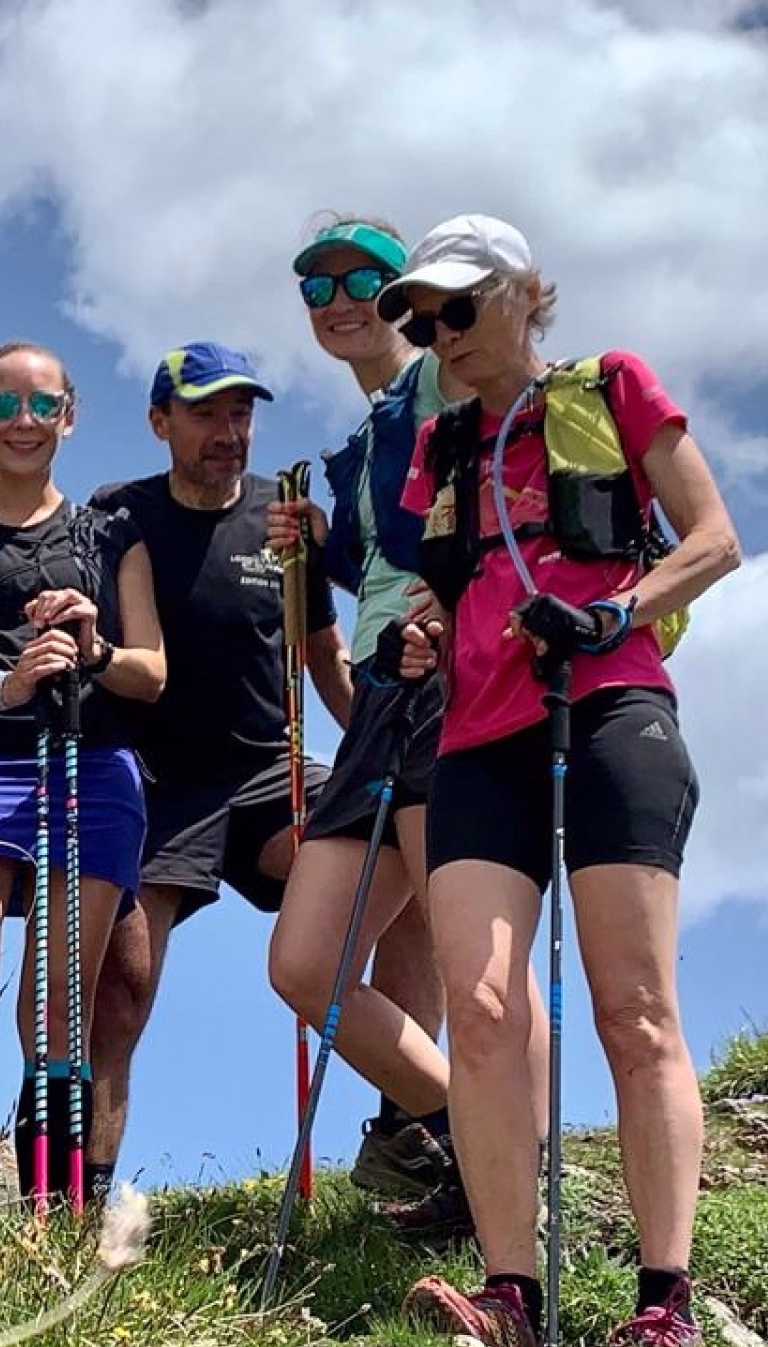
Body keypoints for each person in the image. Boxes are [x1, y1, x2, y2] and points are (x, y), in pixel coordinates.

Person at [381, 215, 739, 1347]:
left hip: (614, 710)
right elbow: (444, 588)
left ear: (525, 294)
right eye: (422, 318)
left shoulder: (613, 386)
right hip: (479, 738)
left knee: (632, 1009)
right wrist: (420, 637)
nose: (439, 334)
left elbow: (715, 539)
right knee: (482, 1012)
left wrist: (611, 612)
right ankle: (510, 1298)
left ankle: (664, 1301)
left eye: (458, 307)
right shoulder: (438, 447)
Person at [0, 340, 165, 1200]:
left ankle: (48, 1222)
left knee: (55, 1007)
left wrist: (95, 648)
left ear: (70, 416)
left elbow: (150, 672)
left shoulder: (113, 537)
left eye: (42, 405)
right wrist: (2, 687)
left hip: (88, 770)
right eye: (4, 406)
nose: (24, 422)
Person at [86, 343, 353, 1200]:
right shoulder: (116, 514)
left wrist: (387, 746)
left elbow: (322, 655)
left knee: (401, 854)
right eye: (204, 412)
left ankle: (412, 1128)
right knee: (119, 996)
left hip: (269, 772)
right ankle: (79, 1205)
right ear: (161, 422)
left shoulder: (285, 514)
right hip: (156, 782)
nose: (227, 431)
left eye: (240, 413)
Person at [264, 217, 469, 1204]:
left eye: (364, 279)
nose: (340, 299)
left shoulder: (442, 376)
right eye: (316, 286)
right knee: (308, 967)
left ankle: (498, 1164)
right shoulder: (359, 442)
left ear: (407, 293)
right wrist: (320, 540)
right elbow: (378, 564)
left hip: (451, 676)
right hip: (384, 693)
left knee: (470, 952)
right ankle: (478, 1134)